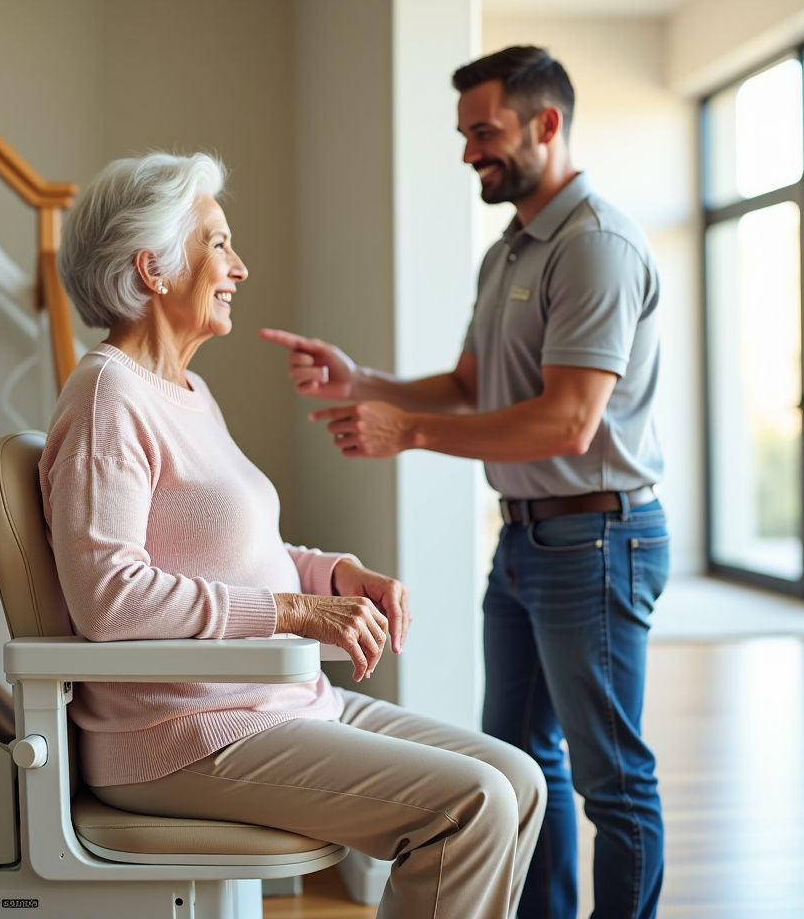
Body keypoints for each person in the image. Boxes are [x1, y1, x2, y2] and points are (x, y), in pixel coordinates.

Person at [40, 151, 546, 918]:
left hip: (275, 701)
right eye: (217, 244)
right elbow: (109, 599)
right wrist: (294, 615)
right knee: (471, 803)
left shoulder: (187, 391)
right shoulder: (108, 395)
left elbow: (241, 555)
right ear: (152, 269)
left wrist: (333, 579)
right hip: (181, 732)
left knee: (519, 780)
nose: (238, 266)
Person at [261, 45, 668, 919]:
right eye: (464, 134)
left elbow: (568, 421)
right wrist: (359, 381)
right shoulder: (511, 251)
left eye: (484, 132)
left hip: (597, 539)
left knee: (612, 777)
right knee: (523, 761)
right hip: (525, 538)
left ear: (546, 125)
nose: (468, 153)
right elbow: (467, 384)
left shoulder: (594, 246)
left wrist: (406, 433)